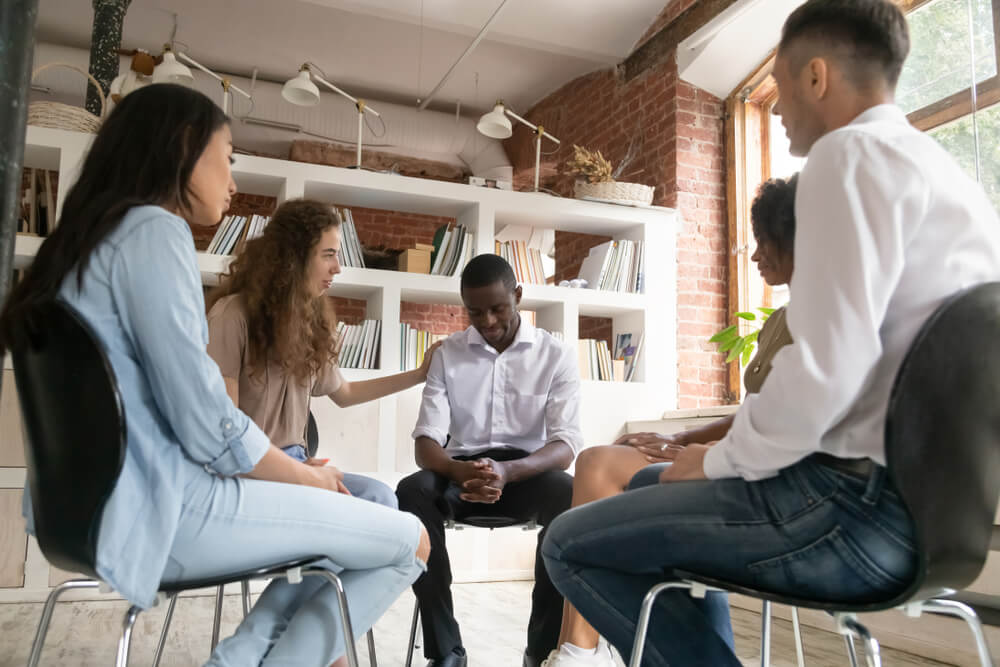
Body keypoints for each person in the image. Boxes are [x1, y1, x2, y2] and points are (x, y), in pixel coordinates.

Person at [541, 1, 1000, 665]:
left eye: (781, 87)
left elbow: (827, 369)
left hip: (850, 513)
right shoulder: (951, 182)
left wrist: (715, 459)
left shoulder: (848, 155)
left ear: (817, 77)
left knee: (569, 541)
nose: (778, 108)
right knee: (649, 490)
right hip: (936, 525)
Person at [0, 83, 430, 667]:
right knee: (411, 541)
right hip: (165, 509)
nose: (232, 182)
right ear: (183, 146)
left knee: (360, 515)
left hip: (80, 516)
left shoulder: (78, 251)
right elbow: (207, 420)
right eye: (227, 157)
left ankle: (238, 659)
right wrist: (300, 477)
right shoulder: (152, 232)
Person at [541, 175, 798, 667]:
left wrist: (697, 454)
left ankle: (579, 651)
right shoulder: (778, 321)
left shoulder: (827, 322)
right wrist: (681, 436)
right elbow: (756, 411)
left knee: (595, 473)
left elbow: (784, 425)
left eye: (763, 241)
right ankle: (580, 649)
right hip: (733, 459)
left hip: (757, 480)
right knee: (602, 461)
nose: (755, 254)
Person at [396, 254, 582, 667]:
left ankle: (541, 649)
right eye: (475, 311)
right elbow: (426, 443)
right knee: (411, 493)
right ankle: (446, 651)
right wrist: (458, 470)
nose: (488, 321)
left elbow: (565, 445)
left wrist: (508, 471)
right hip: (460, 471)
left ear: (518, 295)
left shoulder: (556, 355)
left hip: (526, 472)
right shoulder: (448, 355)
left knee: (570, 496)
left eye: (498, 308)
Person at [206, 198, 440, 510]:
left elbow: (344, 392)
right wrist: (299, 473)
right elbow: (229, 431)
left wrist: (418, 375)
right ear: (294, 257)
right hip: (250, 471)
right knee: (374, 504)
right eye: (328, 254)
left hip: (298, 463)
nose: (338, 267)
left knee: (381, 498)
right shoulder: (231, 315)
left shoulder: (310, 322)